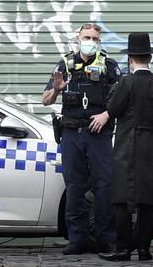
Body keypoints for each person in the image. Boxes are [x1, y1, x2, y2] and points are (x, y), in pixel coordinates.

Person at [93, 33, 153, 262]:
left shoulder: (125, 83)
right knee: (147, 200)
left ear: (130, 59)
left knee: (121, 199)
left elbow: (113, 108)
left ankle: (122, 248)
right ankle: (144, 249)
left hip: (127, 145)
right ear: (150, 57)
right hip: (152, 146)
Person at [42, 23, 121, 255]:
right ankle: (77, 238)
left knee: (104, 185)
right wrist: (57, 89)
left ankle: (106, 238)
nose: (91, 41)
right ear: (78, 38)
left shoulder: (109, 65)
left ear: (100, 41)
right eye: (87, 37)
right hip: (71, 133)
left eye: (95, 38)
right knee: (74, 185)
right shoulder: (65, 64)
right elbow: (45, 100)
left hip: (99, 133)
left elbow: (122, 98)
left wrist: (106, 114)